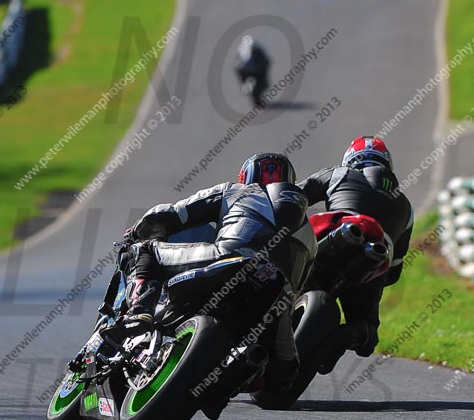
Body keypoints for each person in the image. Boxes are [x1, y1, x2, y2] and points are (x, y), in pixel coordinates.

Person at [103, 153, 317, 399]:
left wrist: (140, 230)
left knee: (145, 249)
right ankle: (242, 370)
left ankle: (140, 311)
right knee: (282, 376)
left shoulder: (234, 191)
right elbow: (299, 289)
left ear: (246, 176)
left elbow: (174, 214)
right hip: (275, 300)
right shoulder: (311, 234)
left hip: (228, 260)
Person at [297, 136, 414, 367]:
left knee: (283, 274)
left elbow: (293, 196)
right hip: (373, 262)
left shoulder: (338, 173)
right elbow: (395, 270)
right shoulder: (406, 206)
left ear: (350, 160)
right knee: (367, 335)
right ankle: (341, 338)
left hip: (330, 242)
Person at [234, 35, 271, 106]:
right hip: (246, 70)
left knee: (264, 85)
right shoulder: (242, 50)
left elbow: (267, 61)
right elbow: (237, 66)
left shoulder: (258, 49)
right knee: (251, 86)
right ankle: (246, 86)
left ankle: (249, 88)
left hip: (256, 70)